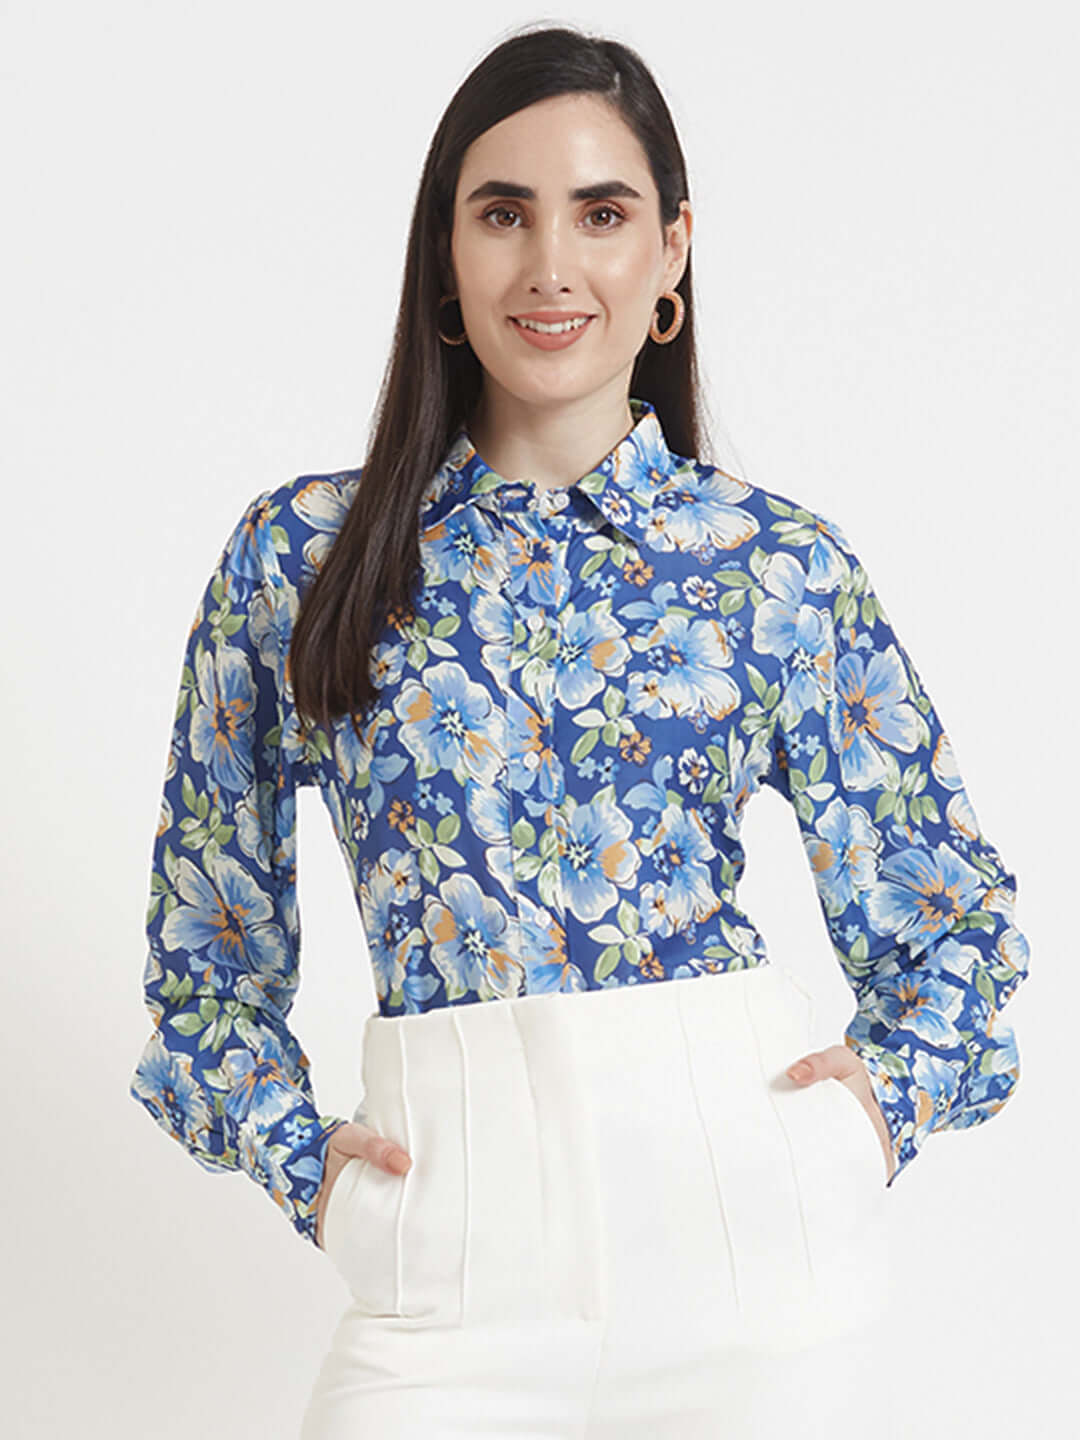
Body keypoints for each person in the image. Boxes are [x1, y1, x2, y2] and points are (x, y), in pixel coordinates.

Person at [128, 22, 1030, 1439]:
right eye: (504, 214)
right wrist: (317, 1179)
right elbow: (205, 963)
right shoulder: (303, 558)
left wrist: (853, 1131)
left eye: (601, 215)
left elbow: (955, 922)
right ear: (444, 254)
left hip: (751, 1268)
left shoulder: (774, 567)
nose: (551, 265)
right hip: (446, 1281)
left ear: (673, 250)